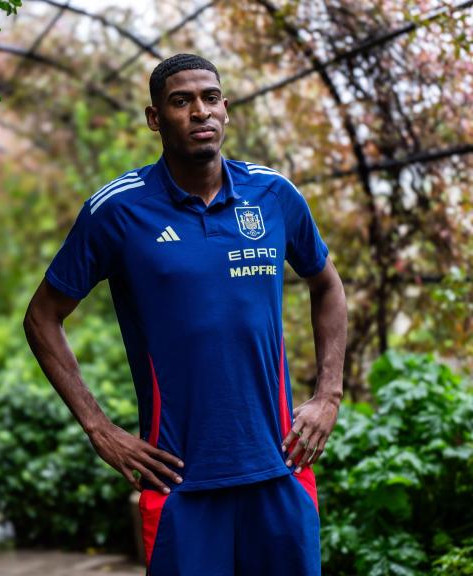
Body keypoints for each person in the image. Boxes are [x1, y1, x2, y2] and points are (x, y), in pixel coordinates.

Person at [23, 53, 347, 575]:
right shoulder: (118, 210)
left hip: (282, 468)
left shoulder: (273, 194)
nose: (200, 112)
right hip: (179, 482)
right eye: (182, 101)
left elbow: (327, 284)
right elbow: (42, 316)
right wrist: (99, 429)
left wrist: (328, 395)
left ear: (226, 108)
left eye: (210, 98)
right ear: (155, 118)